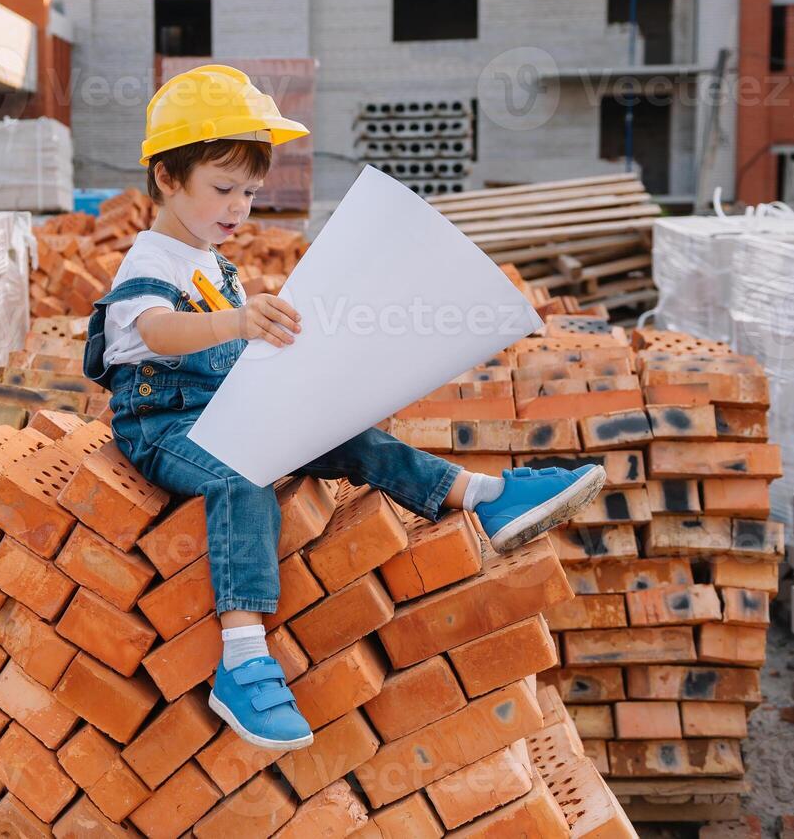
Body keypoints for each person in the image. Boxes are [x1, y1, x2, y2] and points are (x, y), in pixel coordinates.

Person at [81, 64, 605, 751]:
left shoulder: (211, 261)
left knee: (346, 434)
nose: (238, 206)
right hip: (162, 424)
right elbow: (156, 331)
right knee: (241, 475)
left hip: (218, 405)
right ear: (165, 179)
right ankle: (241, 660)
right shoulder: (153, 257)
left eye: (249, 191)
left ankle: (483, 496)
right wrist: (235, 326)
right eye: (222, 188)